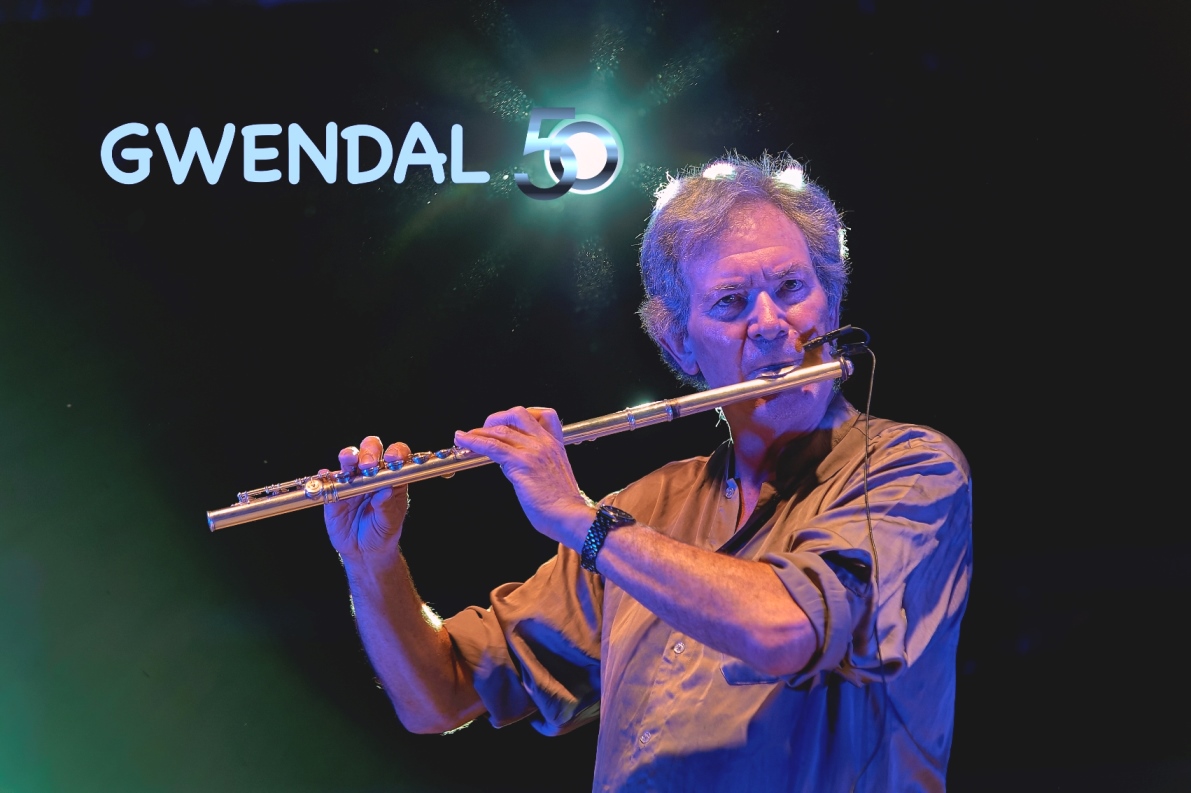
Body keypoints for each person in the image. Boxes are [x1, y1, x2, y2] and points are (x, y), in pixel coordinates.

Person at [324, 152, 973, 792]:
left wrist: (581, 521)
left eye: (791, 288)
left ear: (829, 305)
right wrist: (372, 562)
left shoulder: (911, 469)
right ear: (679, 344)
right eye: (731, 302)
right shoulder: (649, 506)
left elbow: (786, 629)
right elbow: (438, 695)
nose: (771, 324)